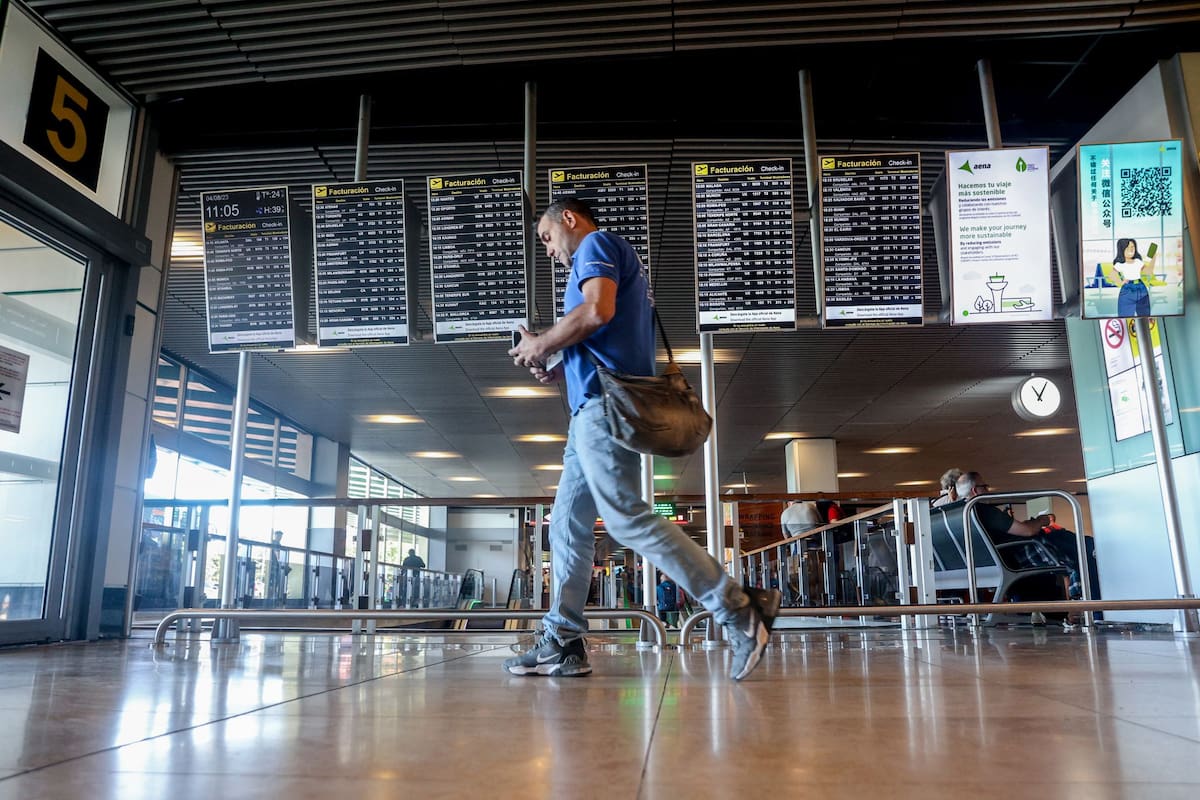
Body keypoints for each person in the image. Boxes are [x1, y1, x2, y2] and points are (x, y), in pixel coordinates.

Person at [505, 197, 780, 679]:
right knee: (566, 522)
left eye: (546, 238)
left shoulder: (596, 243)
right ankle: (563, 640)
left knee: (625, 518)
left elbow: (596, 312)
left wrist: (540, 342)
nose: (548, 251)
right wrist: (560, 364)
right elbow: (596, 329)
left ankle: (739, 607)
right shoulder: (594, 260)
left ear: (568, 219)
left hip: (604, 411)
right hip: (587, 410)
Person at [1110, 237, 1158, 317]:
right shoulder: (1120, 264)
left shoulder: (1138, 262)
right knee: (1125, 315)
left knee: (1145, 315)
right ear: (1122, 249)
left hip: (1141, 287)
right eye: (1128, 247)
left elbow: (1149, 272)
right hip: (1127, 289)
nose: (1131, 249)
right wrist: (1121, 282)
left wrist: (1154, 257)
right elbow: (1112, 275)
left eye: (1133, 247)